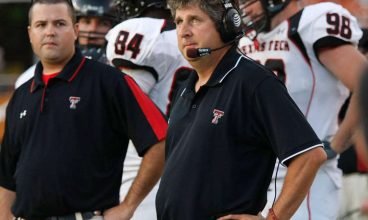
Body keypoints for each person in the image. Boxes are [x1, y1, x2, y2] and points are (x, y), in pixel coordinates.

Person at [155, 0, 327, 219]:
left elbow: (310, 155)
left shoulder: (253, 82)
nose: (183, 31)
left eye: (195, 20)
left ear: (227, 25)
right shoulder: (186, 88)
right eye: (179, 21)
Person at [0, 0, 167, 219]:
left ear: (75, 30)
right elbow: (6, 176)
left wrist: (128, 205)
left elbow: (160, 139)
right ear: (30, 33)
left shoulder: (109, 81)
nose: (50, 32)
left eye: (59, 23)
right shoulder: (21, 94)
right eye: (41, 25)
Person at [238, 0, 368, 219]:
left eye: (249, 1)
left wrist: (336, 144)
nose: (245, 10)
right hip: (255, 175)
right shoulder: (246, 39)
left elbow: (364, 84)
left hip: (306, 177)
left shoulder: (311, 23)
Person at [105, 1, 193, 219]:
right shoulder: (199, 36)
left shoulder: (144, 34)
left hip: (140, 183)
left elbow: (116, 116)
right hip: (193, 178)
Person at [15, 0, 116, 88]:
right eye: (86, 21)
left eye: (103, 23)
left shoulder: (118, 76)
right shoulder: (28, 79)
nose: (92, 29)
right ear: (75, 27)